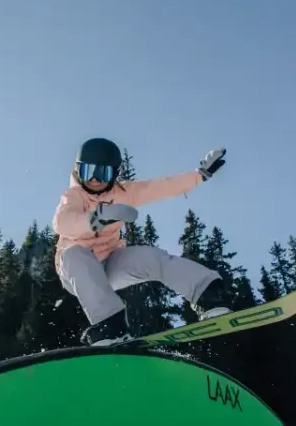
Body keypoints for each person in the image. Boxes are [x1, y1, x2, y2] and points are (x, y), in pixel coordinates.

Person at [52, 137, 231, 346]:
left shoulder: (124, 193)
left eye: (102, 173)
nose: (93, 179)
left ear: (114, 174)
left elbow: (161, 187)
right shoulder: (74, 196)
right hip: (77, 271)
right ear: (78, 171)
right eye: (87, 171)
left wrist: (199, 176)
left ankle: (207, 293)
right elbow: (62, 222)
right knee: (75, 254)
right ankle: (110, 324)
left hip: (110, 264)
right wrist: (94, 218)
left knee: (149, 257)